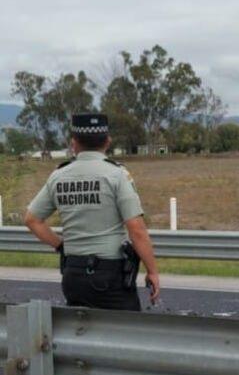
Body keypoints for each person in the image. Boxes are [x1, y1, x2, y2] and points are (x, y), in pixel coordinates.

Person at [24, 113, 160, 310]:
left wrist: (61, 246)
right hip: (110, 274)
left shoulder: (58, 175)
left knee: (80, 333)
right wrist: (152, 271)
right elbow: (136, 230)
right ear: (108, 141)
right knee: (129, 333)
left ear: (74, 143)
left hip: (73, 274)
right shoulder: (117, 175)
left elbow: (31, 219)